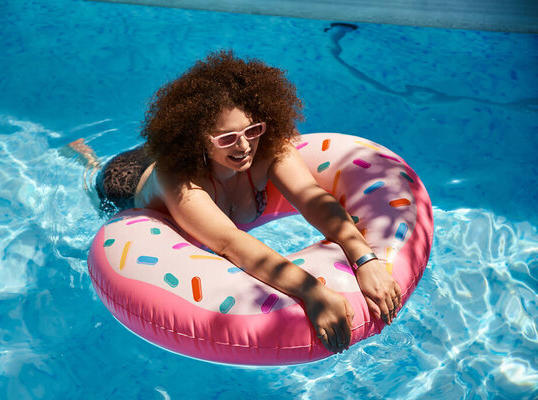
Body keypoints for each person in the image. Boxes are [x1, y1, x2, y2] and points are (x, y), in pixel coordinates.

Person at [73, 51, 401, 354]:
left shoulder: (270, 148)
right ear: (200, 137)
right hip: (125, 181)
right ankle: (82, 154)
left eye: (252, 130)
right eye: (228, 137)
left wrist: (364, 259)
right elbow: (230, 242)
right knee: (92, 174)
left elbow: (312, 198)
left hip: (191, 156)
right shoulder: (180, 182)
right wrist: (312, 292)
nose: (244, 146)